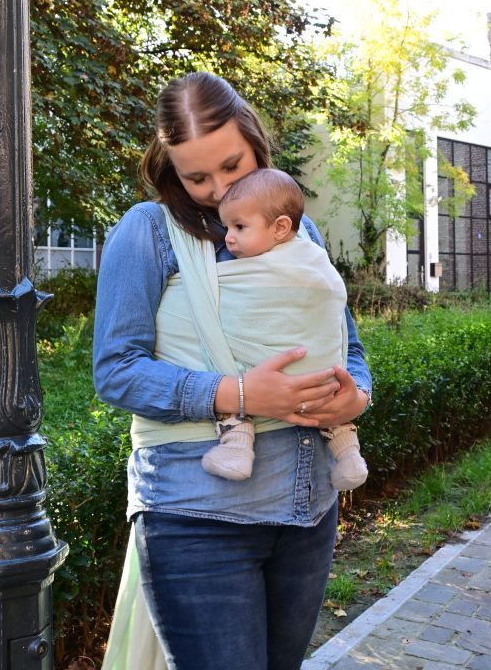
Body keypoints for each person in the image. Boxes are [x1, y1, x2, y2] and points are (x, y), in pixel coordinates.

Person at [93, 72, 372, 670]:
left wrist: (357, 396)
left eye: (231, 165)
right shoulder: (148, 231)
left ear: (254, 140)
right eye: (197, 178)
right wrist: (239, 393)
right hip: (198, 512)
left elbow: (344, 343)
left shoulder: (296, 228)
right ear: (170, 168)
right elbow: (116, 370)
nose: (219, 190)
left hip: (308, 505)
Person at [200, 167, 368, 491]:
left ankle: (237, 447)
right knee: (325, 396)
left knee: (228, 377)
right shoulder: (311, 256)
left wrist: (359, 392)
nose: (228, 237)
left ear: (279, 227)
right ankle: (348, 456)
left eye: (239, 227)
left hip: (292, 370)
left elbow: (331, 300)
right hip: (301, 377)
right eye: (227, 227)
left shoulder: (305, 256)